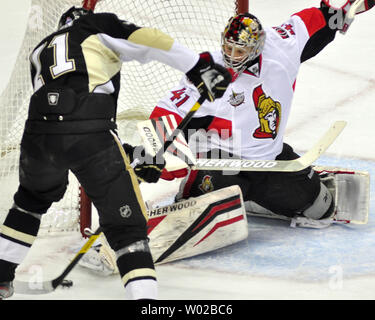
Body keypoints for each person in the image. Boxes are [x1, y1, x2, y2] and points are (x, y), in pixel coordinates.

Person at [0, 7, 231, 300]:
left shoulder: (40, 50)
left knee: (29, 204)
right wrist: (199, 67)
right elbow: (148, 38)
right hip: (91, 134)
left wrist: (132, 158)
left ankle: (1, 276)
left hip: (38, 138)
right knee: (127, 230)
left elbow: (65, 121)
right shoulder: (94, 26)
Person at [148, 1, 374, 223]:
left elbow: (317, 20)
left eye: (240, 50)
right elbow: (165, 112)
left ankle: (250, 198)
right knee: (200, 208)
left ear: (257, 47)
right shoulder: (206, 71)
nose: (232, 56)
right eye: (228, 48)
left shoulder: (281, 48)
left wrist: (341, 10)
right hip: (220, 162)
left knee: (320, 208)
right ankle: (196, 192)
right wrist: (156, 154)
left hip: (268, 161)